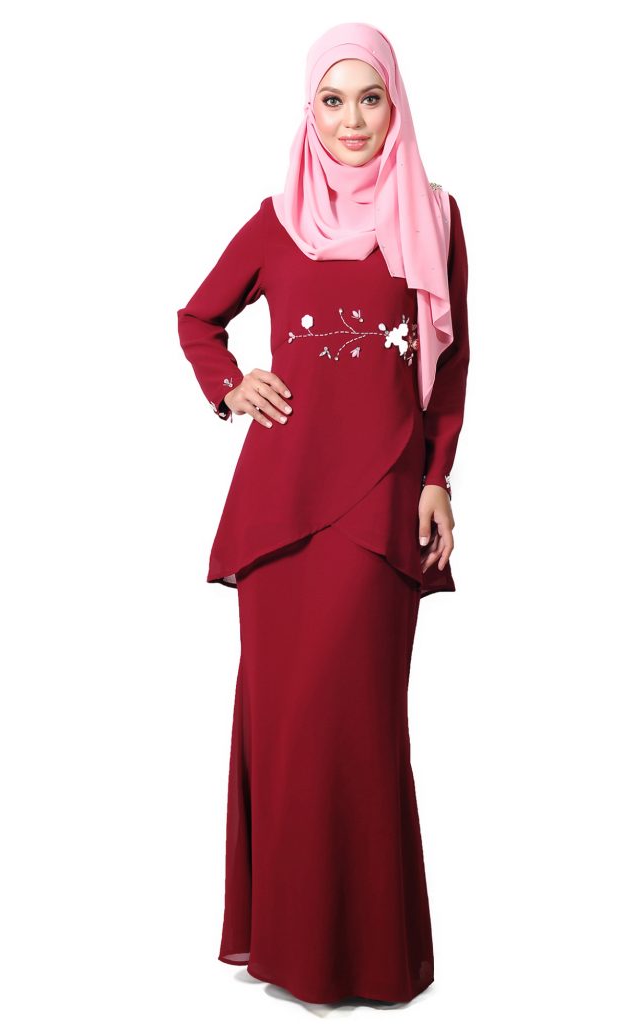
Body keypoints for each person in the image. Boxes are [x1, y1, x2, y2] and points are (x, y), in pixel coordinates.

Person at [176, 22, 470, 1005]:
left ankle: (367, 955)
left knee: (360, 722)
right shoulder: (279, 220)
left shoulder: (434, 214)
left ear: (396, 105)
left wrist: (438, 475)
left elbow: (452, 366)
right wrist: (229, 385)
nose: (351, 120)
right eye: (332, 101)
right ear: (309, 112)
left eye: (369, 99)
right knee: (288, 722)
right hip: (281, 515)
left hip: (381, 505)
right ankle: (285, 949)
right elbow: (197, 318)